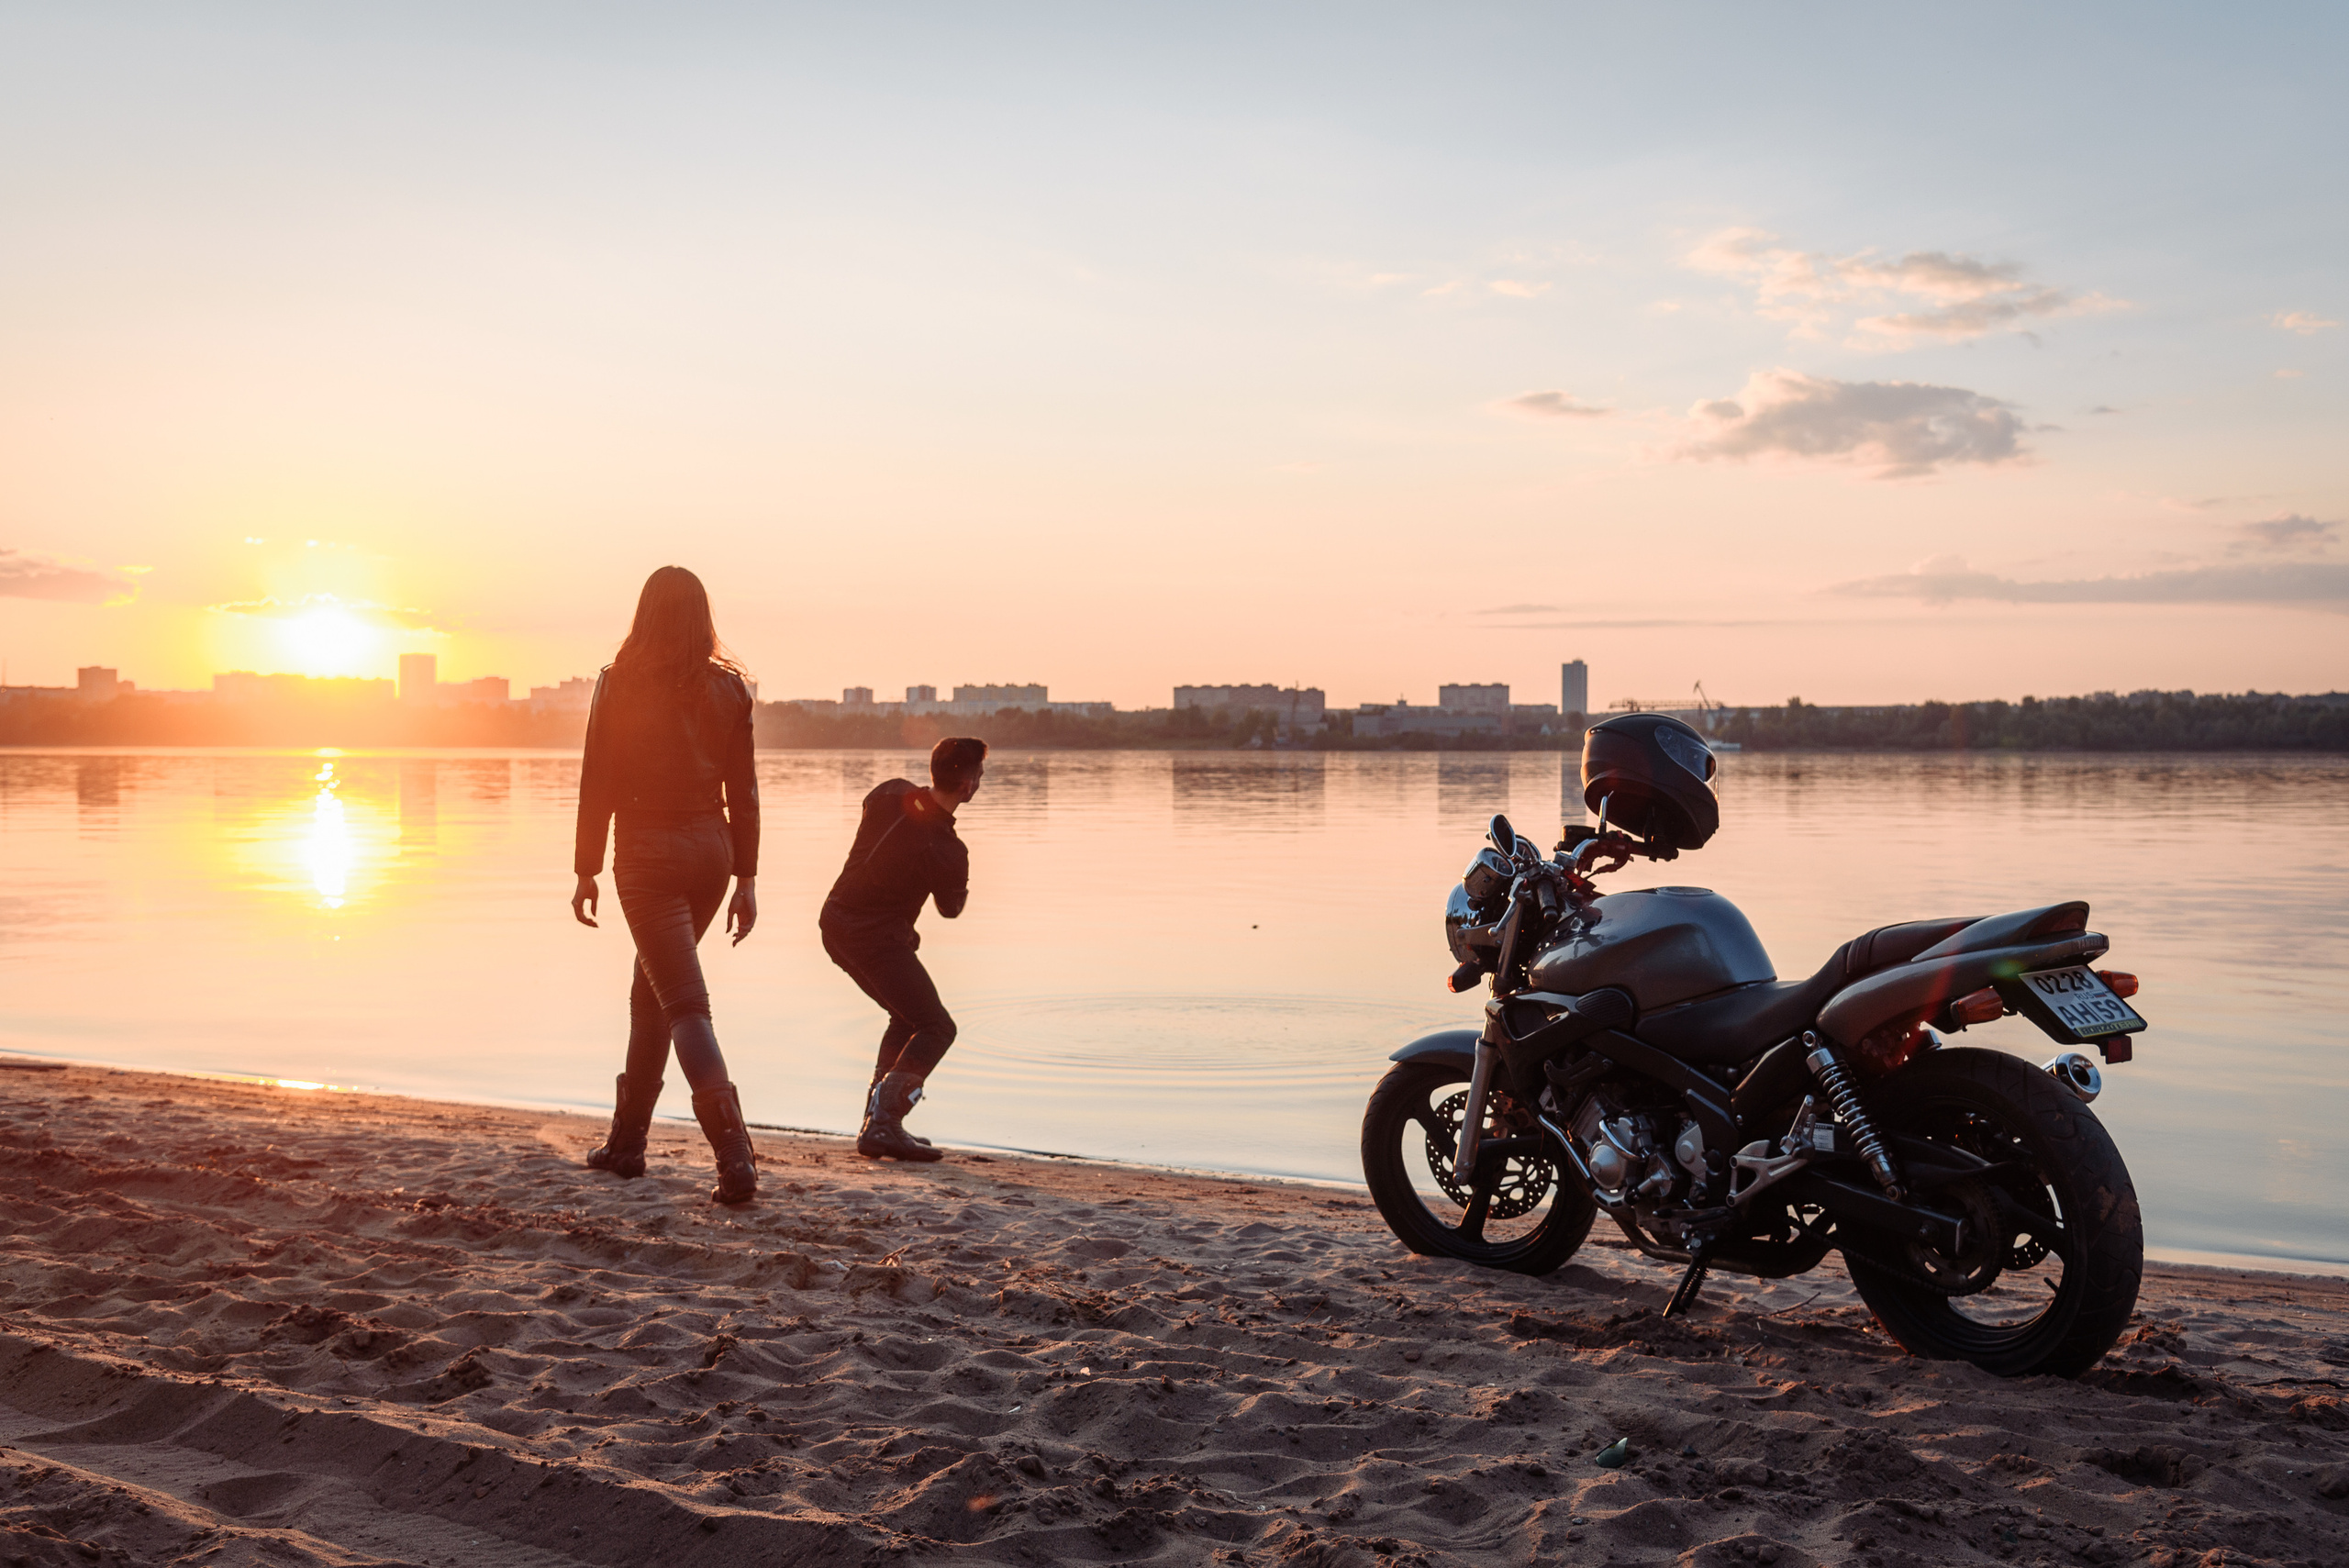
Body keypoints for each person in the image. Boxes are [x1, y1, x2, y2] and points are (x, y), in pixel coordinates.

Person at [570, 566, 762, 1205]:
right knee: (651, 985)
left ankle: (735, 1155)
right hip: (713, 849)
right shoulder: (731, 689)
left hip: (647, 854)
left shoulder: (618, 684)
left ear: (645, 613)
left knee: (683, 1002)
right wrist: (746, 877)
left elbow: (596, 779)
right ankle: (626, 1145)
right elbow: (747, 794)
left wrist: (585, 869)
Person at [820, 737, 986, 1162]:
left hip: (835, 923)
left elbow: (875, 813)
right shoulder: (949, 849)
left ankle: (878, 1123)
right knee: (936, 1027)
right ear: (968, 785)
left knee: (907, 1017)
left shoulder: (888, 793)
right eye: (979, 776)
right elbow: (950, 910)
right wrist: (958, 882)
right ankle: (883, 1123)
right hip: (874, 939)